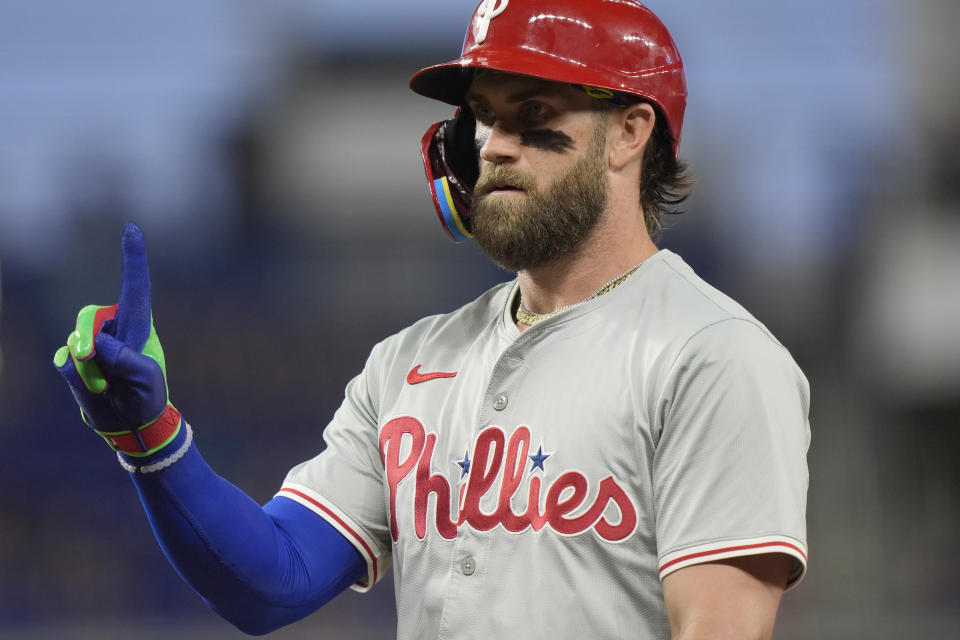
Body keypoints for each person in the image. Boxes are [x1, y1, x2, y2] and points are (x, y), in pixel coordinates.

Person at [53, 1, 810, 638]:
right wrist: (151, 439)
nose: (494, 148)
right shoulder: (408, 365)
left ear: (630, 133)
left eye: (533, 113)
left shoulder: (712, 356)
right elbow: (272, 580)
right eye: (482, 118)